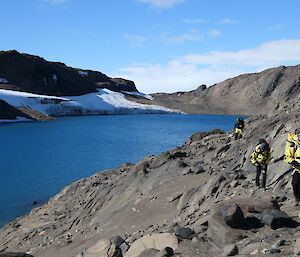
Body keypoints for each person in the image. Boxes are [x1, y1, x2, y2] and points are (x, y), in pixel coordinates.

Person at [284, 128, 300, 206]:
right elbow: (288, 156)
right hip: (297, 167)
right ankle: (297, 198)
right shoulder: (294, 145)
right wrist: (292, 161)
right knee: (295, 183)